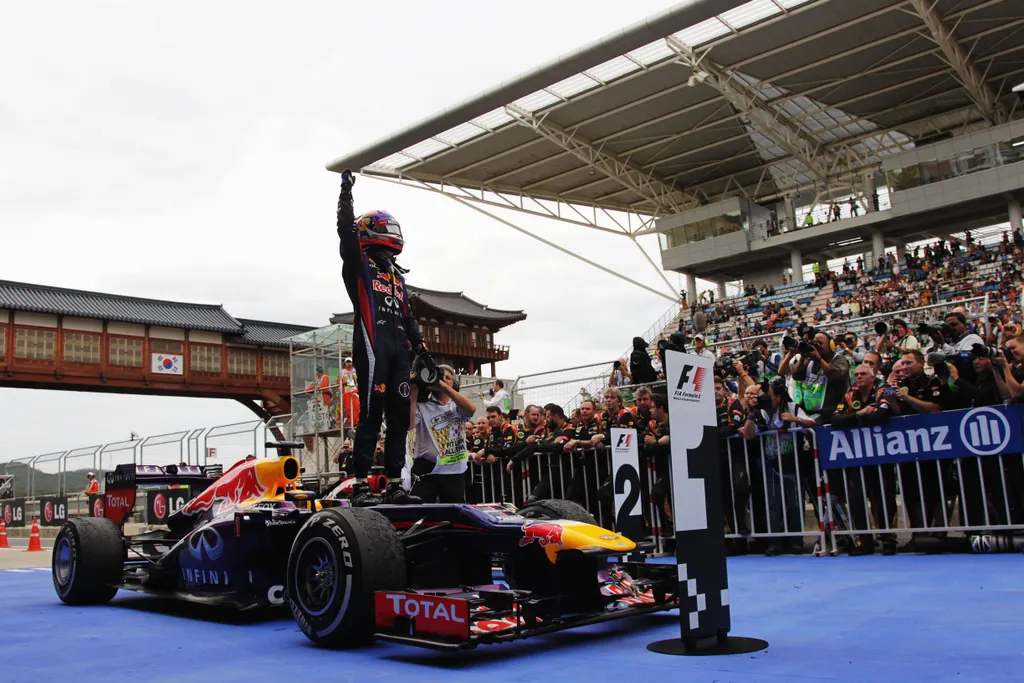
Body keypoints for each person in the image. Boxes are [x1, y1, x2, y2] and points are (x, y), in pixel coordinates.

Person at [335, 169, 427, 505]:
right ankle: (360, 485)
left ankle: (394, 485)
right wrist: (345, 193)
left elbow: (410, 316)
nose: (392, 235)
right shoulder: (358, 264)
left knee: (399, 418)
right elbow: (345, 231)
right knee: (371, 415)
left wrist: (421, 349)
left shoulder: (398, 277)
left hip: (399, 353)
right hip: (371, 349)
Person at [409, 364, 477, 503]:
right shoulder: (422, 406)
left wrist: (445, 387)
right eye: (440, 377)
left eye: (448, 378)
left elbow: (471, 409)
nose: (443, 380)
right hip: (428, 469)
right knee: (420, 511)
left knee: (455, 513)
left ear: (454, 382)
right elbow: (409, 425)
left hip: (454, 470)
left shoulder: (457, 405)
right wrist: (414, 392)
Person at [339, 357, 360, 429]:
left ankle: (357, 422)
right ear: (345, 363)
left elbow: (356, 381)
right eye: (347, 362)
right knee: (349, 408)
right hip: (347, 392)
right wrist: (352, 382)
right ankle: (352, 423)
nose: (349, 364)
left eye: (350, 362)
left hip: (355, 391)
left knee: (356, 406)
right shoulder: (343, 371)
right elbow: (345, 382)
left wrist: (351, 383)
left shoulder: (355, 370)